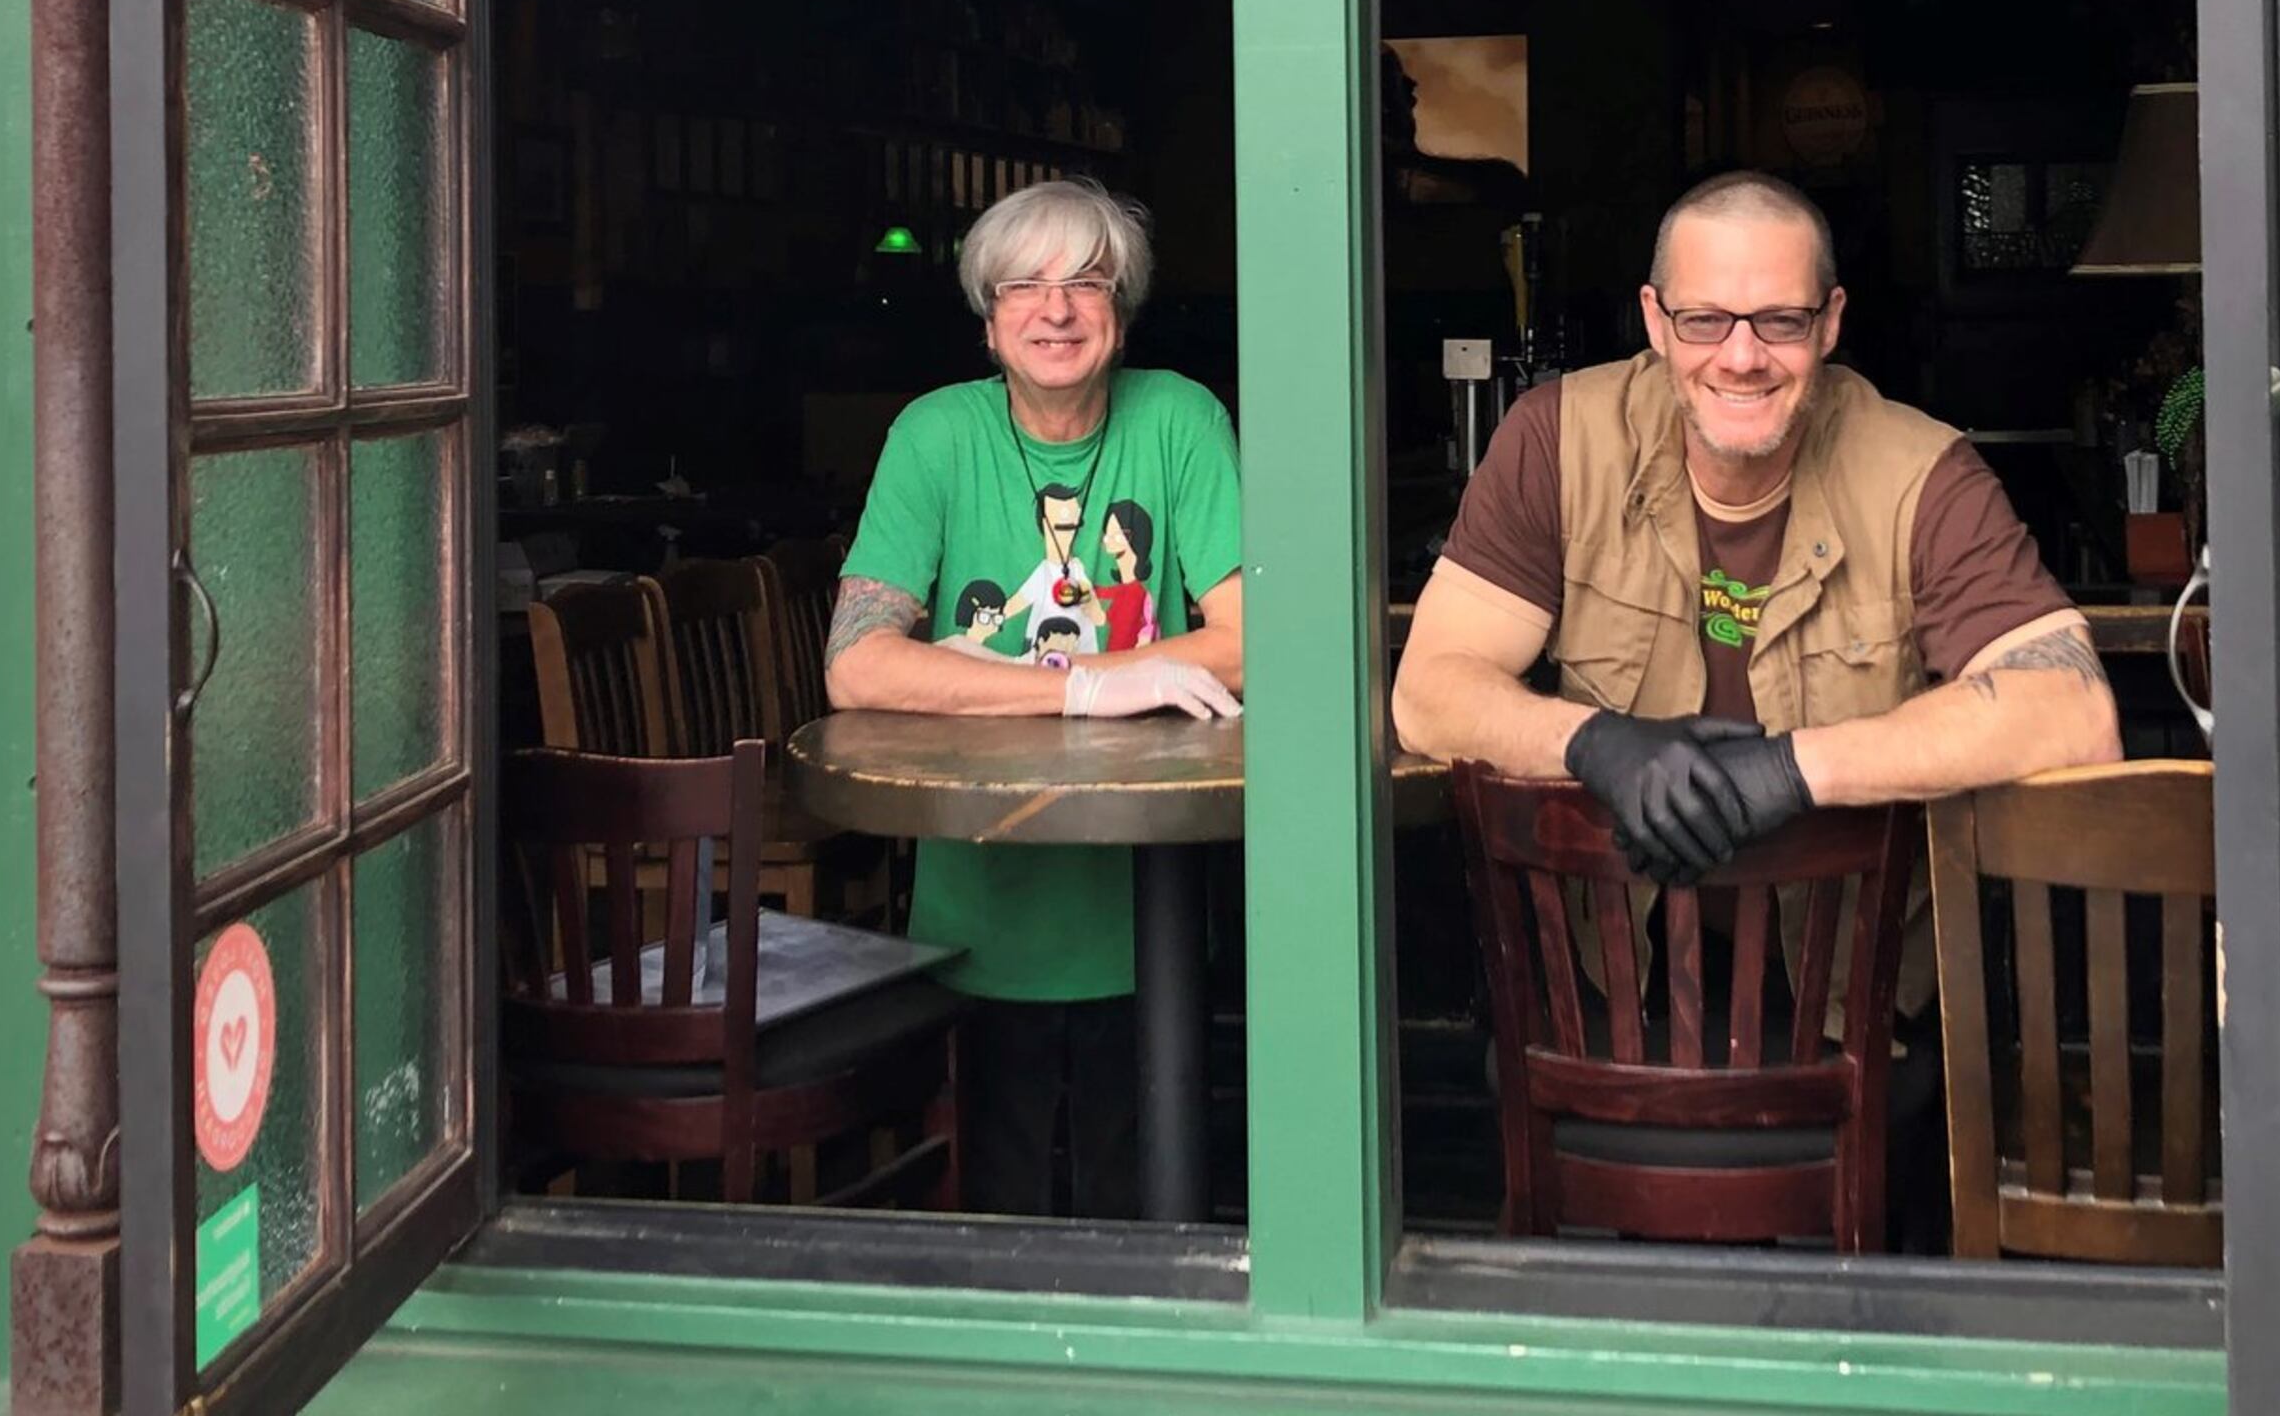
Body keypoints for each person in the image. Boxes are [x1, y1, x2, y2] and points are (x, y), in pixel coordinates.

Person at [1393, 171, 2119, 888]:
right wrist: (1589, 742)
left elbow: (2074, 714)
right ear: (1654, 320)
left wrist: (1792, 769)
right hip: (1614, 972)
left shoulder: (1923, 475)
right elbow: (1427, 694)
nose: (1741, 359)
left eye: (1781, 321)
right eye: (1704, 320)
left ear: (1830, 321)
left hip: (1857, 976)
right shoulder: (1557, 440)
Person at [828, 179, 1247, 1218]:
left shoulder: (1181, 419)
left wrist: (1070, 684)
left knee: (1145, 1195)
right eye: (1025, 285)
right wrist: (1088, 691)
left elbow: (1265, 639)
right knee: (997, 1201)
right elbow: (857, 664)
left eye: (1085, 282)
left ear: (1124, 306)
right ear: (987, 318)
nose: (1054, 310)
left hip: (1146, 904)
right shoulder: (934, 435)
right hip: (981, 897)